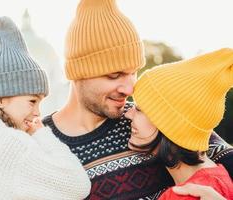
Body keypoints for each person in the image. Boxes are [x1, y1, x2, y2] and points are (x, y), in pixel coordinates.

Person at [42, 0, 233, 199]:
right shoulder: (39, 144)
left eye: (134, 72)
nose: (130, 88)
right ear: (78, 73)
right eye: (114, 75)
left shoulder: (156, 117)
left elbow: (217, 164)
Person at [0, 16, 91, 200]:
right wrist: (42, 134)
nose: (38, 112)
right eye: (32, 101)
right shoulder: (10, 144)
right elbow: (77, 186)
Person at [125, 48, 233, 199]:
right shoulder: (220, 177)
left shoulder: (182, 196)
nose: (128, 113)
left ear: (171, 126)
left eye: (139, 109)